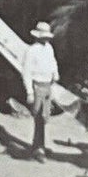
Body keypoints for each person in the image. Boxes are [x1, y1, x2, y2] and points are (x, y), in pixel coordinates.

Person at [21, 21, 59, 161]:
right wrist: (29, 92)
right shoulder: (31, 51)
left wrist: (55, 74)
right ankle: (38, 149)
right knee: (38, 118)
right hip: (37, 86)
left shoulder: (49, 48)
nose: (46, 39)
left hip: (48, 85)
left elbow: (53, 62)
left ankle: (40, 145)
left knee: (45, 117)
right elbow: (26, 72)